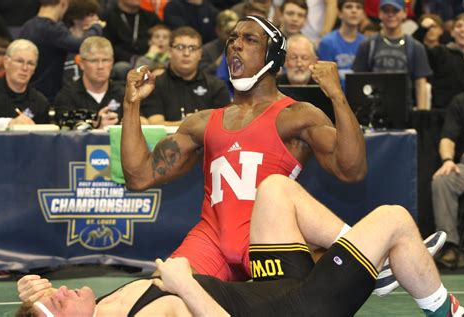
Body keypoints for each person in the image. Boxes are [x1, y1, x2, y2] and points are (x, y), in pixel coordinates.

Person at [121, 14, 368, 284]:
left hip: (266, 238)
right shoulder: (203, 122)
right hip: (212, 239)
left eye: (249, 39)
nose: (236, 45)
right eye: (233, 39)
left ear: (272, 55)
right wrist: (131, 105)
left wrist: (337, 96)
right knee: (159, 291)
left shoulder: (297, 116)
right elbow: (139, 176)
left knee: (292, 302)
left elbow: (351, 169)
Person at [16, 175, 464, 317]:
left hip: (272, 286)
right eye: (57, 304)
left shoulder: (100, 309)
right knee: (394, 219)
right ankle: (448, 312)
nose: (58, 292)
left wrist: (30, 303)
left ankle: (374, 266)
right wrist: (186, 287)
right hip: (298, 309)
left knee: (273, 188)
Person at [54, 36, 151, 130]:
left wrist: (138, 124)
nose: (100, 66)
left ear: (112, 62)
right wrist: (96, 128)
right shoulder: (67, 97)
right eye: (94, 61)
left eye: (105, 60)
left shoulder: (124, 93)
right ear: (82, 64)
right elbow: (65, 137)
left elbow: (142, 121)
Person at [352, 0, 433, 110]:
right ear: (380, 14)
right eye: (386, 11)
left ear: (404, 13)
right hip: (373, 110)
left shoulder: (415, 46)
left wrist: (421, 116)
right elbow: (358, 81)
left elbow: (420, 84)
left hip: (405, 110)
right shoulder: (368, 45)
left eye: (395, 10)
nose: (391, 15)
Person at [18, 0, 104, 102]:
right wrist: (96, 27)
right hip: (45, 95)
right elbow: (81, 45)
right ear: (64, 3)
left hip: (31, 91)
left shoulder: (28, 26)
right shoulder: (51, 28)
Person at [142, 26, 230, 126]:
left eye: (192, 48)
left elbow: (224, 125)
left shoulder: (216, 86)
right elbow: (156, 125)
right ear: (170, 52)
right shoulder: (154, 85)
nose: (186, 53)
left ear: (200, 54)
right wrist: (192, 124)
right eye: (180, 47)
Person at [432, 90, 464, 268]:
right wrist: (447, 160)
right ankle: (450, 246)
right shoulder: (461, 101)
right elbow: (447, 138)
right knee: (443, 180)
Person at [0, 39, 49, 131]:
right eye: (19, 61)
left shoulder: (40, 102)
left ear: (34, 69)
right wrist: (9, 124)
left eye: (30, 63)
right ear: (6, 62)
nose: (25, 68)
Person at [103, 0, 161, 80]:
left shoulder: (150, 17)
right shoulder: (107, 17)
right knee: (121, 68)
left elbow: (164, 38)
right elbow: (107, 46)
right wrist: (132, 59)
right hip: (122, 61)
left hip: (149, 59)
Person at [422, 12, 464, 110]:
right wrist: (422, 30)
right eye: (459, 26)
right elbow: (418, 54)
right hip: (443, 113)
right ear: (452, 32)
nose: (463, 30)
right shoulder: (440, 52)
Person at [318, 0, 365, 89]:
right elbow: (325, 78)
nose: (354, 11)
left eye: (358, 7)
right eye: (349, 7)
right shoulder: (327, 42)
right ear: (339, 13)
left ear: (362, 14)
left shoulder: (366, 43)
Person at [198, 9, 239, 75]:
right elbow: (201, 74)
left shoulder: (246, 47)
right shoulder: (207, 50)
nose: (231, 37)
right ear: (218, 30)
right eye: (228, 33)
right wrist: (219, 63)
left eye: (234, 33)